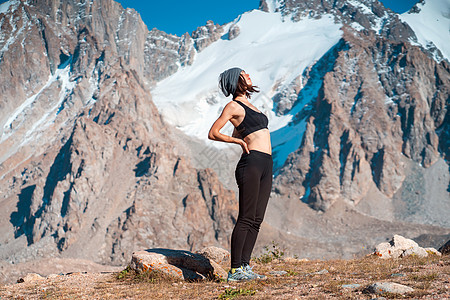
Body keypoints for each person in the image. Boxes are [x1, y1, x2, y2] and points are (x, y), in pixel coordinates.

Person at [208, 67, 273, 282]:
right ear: (236, 81)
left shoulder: (250, 106)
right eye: (243, 74)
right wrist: (236, 140)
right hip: (251, 162)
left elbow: (242, 129)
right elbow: (213, 132)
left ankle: (245, 267)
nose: (248, 76)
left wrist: (240, 133)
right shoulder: (233, 105)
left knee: (257, 219)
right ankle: (235, 270)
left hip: (266, 163)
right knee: (246, 217)